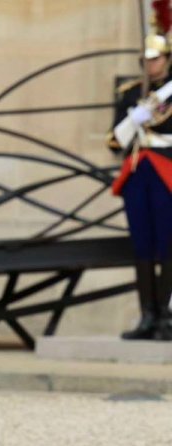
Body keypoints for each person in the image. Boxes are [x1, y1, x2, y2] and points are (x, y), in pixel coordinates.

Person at [110, 18, 172, 340]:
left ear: (167, 59)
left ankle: (166, 316)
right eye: (146, 59)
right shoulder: (130, 93)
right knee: (142, 245)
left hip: (168, 170)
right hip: (138, 172)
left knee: (169, 244)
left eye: (156, 59)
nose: (151, 64)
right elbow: (113, 141)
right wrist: (134, 119)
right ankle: (148, 315)